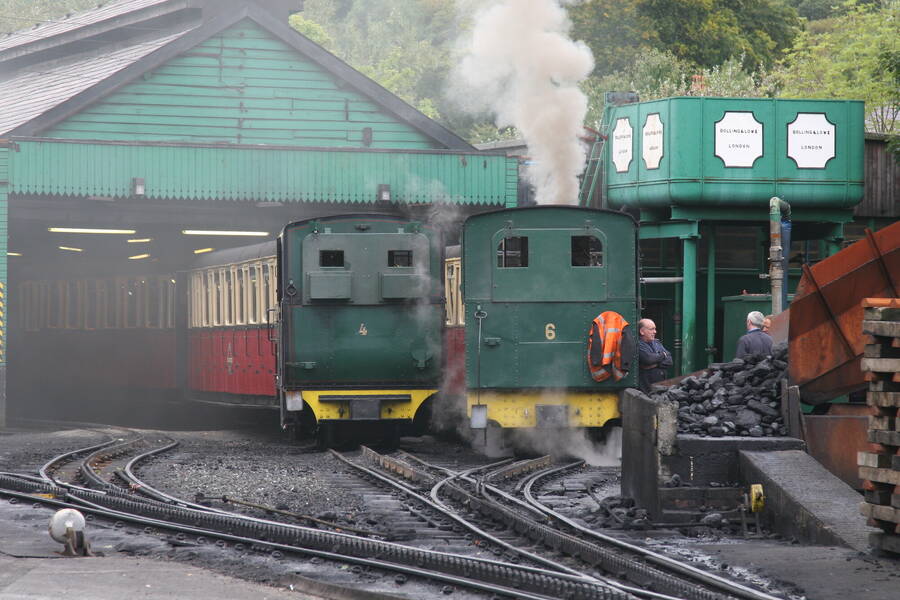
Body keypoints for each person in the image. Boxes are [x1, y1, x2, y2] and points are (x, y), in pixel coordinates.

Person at [637, 318, 672, 394]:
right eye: (651, 329)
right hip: (647, 389)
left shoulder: (657, 343)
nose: (655, 332)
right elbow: (648, 359)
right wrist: (663, 355)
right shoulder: (638, 344)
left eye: (655, 329)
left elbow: (670, 360)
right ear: (642, 331)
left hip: (661, 386)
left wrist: (655, 363)